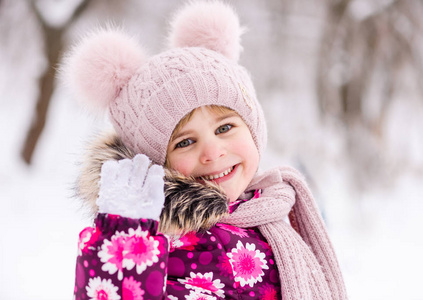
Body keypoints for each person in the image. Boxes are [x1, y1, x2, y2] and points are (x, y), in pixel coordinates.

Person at [63, 1, 347, 299]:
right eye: (185, 142)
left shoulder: (268, 208)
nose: (212, 152)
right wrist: (124, 241)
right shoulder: (176, 241)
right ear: (157, 162)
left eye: (225, 128)